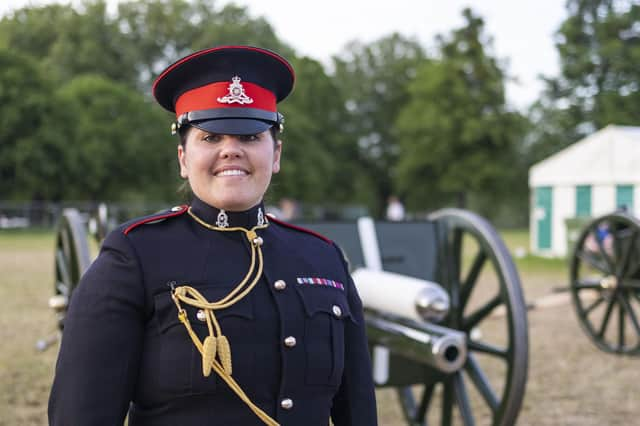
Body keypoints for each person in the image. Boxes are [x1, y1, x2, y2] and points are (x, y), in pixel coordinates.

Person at [48, 46, 377, 425]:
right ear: (183, 159)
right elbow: (81, 414)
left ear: (276, 154)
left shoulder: (323, 258)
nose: (231, 151)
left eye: (251, 137)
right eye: (210, 138)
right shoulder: (135, 256)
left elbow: (359, 413)